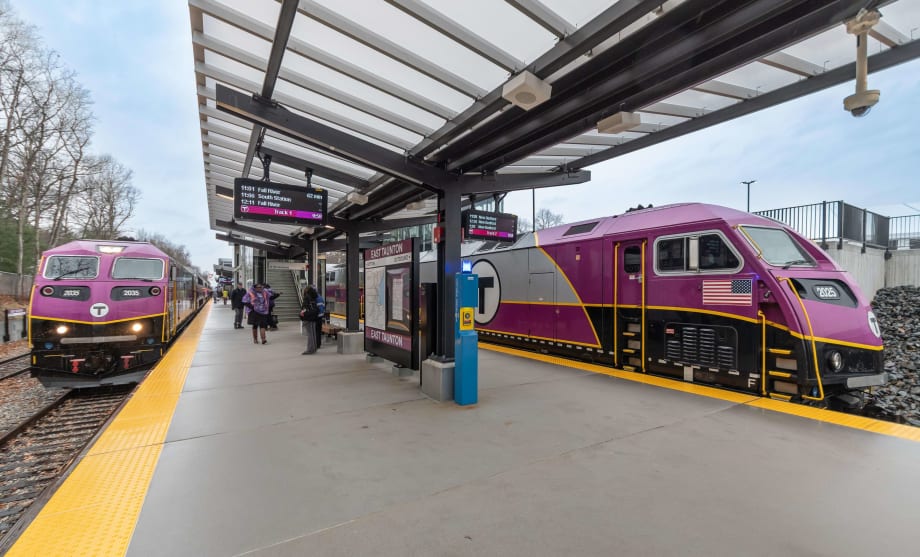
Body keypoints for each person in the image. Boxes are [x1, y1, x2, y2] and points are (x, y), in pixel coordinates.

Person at [300, 285, 320, 354]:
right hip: (313, 317)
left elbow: (304, 308)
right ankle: (314, 348)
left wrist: (302, 314)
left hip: (308, 318)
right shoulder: (313, 298)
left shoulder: (307, 298)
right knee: (313, 333)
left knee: (310, 334)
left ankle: (310, 349)